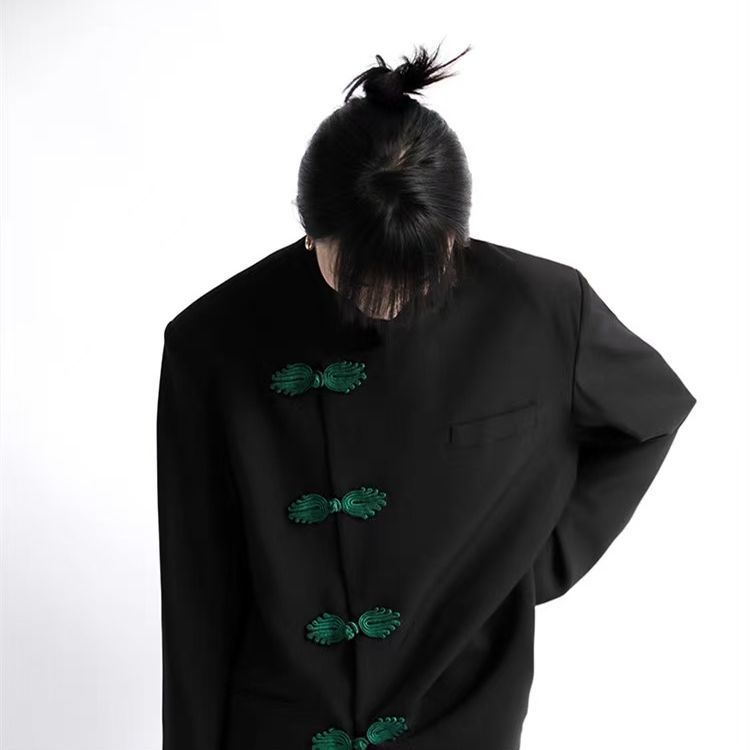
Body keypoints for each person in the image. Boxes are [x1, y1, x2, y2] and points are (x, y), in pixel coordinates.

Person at [156, 43, 697, 750]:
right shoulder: (212, 341)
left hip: (461, 711)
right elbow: (196, 588)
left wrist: (527, 570)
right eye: (359, 273)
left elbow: (652, 415)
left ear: (455, 236)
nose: (387, 297)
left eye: (417, 273)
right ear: (310, 231)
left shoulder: (543, 309)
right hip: (281, 718)